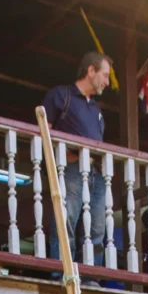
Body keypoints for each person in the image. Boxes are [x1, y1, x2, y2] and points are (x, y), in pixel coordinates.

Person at [42, 52, 111, 266]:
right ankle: (64, 272)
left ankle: (90, 277)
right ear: (91, 70)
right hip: (71, 168)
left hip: (95, 173)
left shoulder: (96, 109)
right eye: (105, 75)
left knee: (97, 229)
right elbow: (44, 134)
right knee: (66, 222)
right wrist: (66, 158)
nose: (107, 82)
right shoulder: (61, 96)